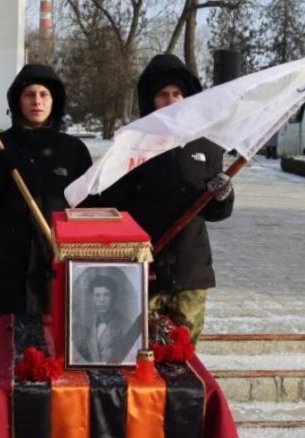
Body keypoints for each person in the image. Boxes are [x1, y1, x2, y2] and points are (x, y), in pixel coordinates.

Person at [91, 54, 233, 343]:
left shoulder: (206, 145)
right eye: (163, 95)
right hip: (145, 268)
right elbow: (112, 204)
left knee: (183, 355)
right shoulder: (132, 144)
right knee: (139, 352)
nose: (171, 101)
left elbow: (216, 212)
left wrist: (222, 194)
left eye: (177, 94)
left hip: (190, 270)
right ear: (151, 100)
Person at [0, 64, 93, 343]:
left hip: (57, 263)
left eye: (44, 94)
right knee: (7, 347)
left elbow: (90, 208)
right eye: (29, 94)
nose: (37, 101)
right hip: (9, 263)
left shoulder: (73, 151)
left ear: (54, 100)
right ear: (17, 101)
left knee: (56, 346)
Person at [74, 273, 137, 364]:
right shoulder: (88, 326)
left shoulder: (126, 326)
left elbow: (131, 359)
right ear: (93, 298)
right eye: (97, 295)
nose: (101, 300)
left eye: (106, 295)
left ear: (113, 297)